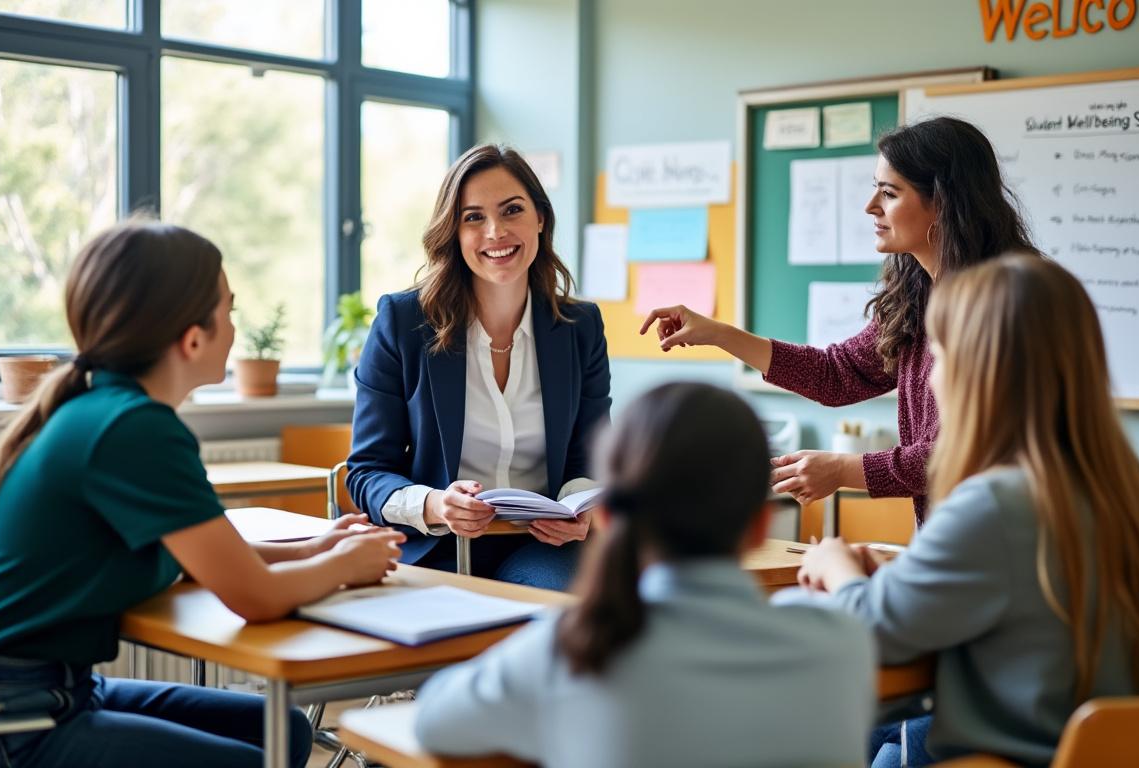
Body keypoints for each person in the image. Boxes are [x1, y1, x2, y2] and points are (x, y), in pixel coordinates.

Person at [0, 220, 405, 768]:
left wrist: (317, 550)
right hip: (8, 719)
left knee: (282, 731)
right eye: (229, 310)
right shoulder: (134, 427)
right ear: (192, 337)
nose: (233, 327)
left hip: (28, 691)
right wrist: (345, 566)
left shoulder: (100, 407)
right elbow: (255, 598)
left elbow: (200, 563)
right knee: (254, 759)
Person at [791, 254, 1139, 767]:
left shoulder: (995, 504)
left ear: (980, 373)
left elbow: (871, 637)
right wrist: (899, 579)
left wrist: (836, 566)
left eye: (939, 356)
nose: (930, 381)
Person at [413, 382, 875, 767]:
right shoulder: (842, 642)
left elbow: (432, 719)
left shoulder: (566, 649)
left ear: (609, 519)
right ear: (760, 526)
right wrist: (849, 581)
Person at [641, 116, 1038, 523]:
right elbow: (837, 374)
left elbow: (958, 452)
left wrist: (843, 470)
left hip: (1006, 538)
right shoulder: (919, 295)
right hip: (954, 537)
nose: (871, 207)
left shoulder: (1003, 303)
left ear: (942, 201)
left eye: (889, 193)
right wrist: (719, 334)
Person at [347, 144, 611, 590]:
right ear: (454, 231)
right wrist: (434, 505)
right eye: (473, 217)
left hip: (542, 546)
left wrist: (579, 508)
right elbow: (367, 471)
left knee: (569, 607)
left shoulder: (580, 328)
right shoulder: (403, 322)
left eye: (512, 211)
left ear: (540, 218)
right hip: (437, 547)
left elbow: (590, 456)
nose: (495, 232)